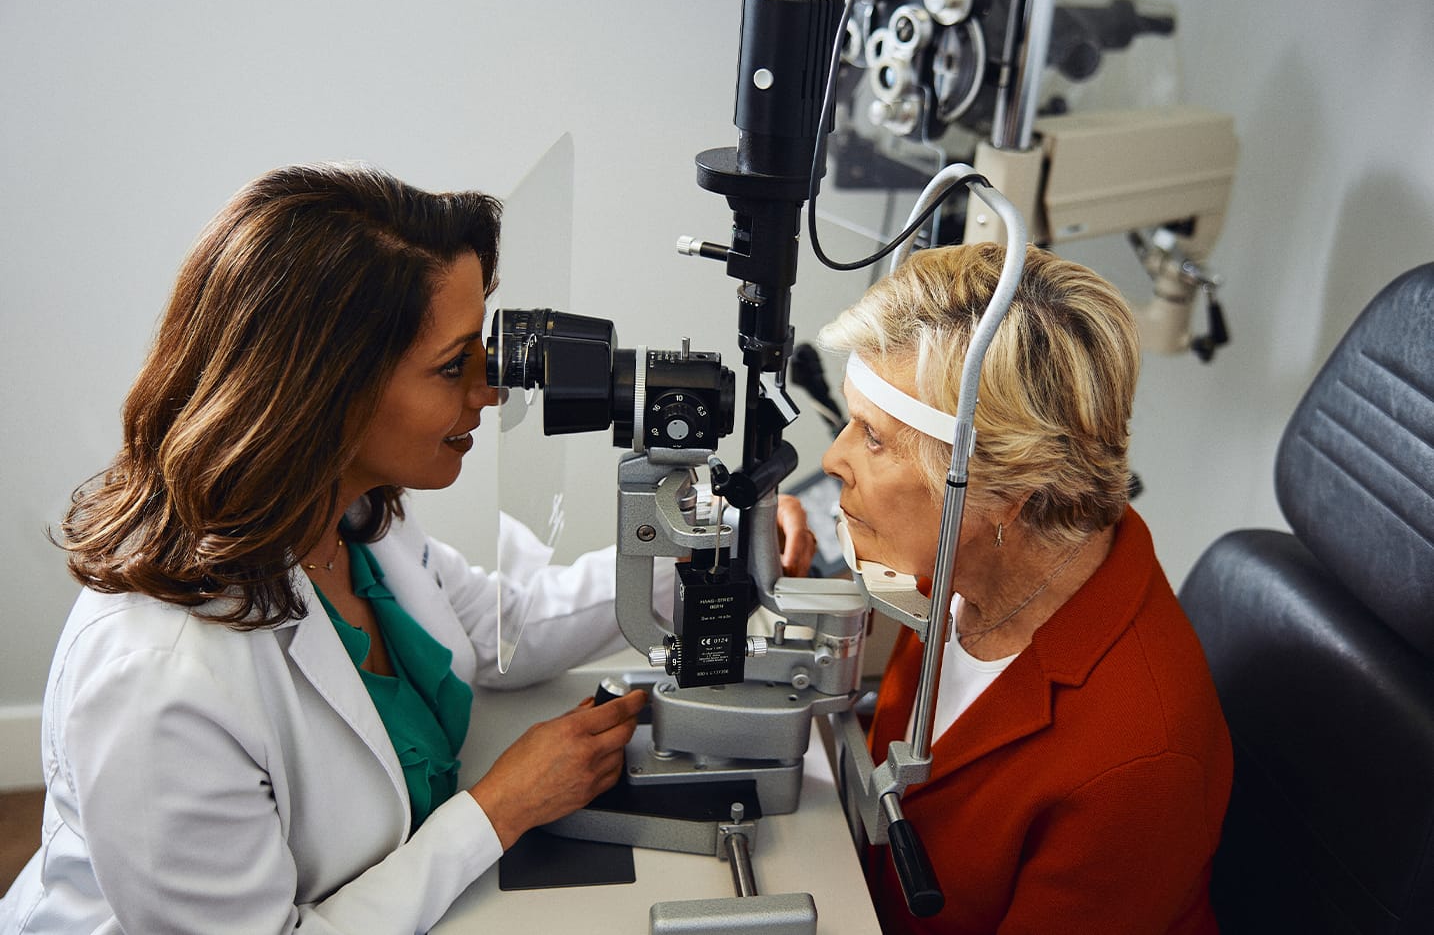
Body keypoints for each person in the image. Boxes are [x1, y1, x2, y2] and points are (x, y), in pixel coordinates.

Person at [0, 161, 814, 934]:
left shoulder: (352, 516)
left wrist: (701, 561)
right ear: (326, 391)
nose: (489, 392)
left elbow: (508, 626)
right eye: (451, 366)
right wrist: (499, 809)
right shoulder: (160, 679)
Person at [818, 243, 1233, 934]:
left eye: (875, 439)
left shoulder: (1137, 762)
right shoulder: (961, 558)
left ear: (1003, 487)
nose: (834, 459)